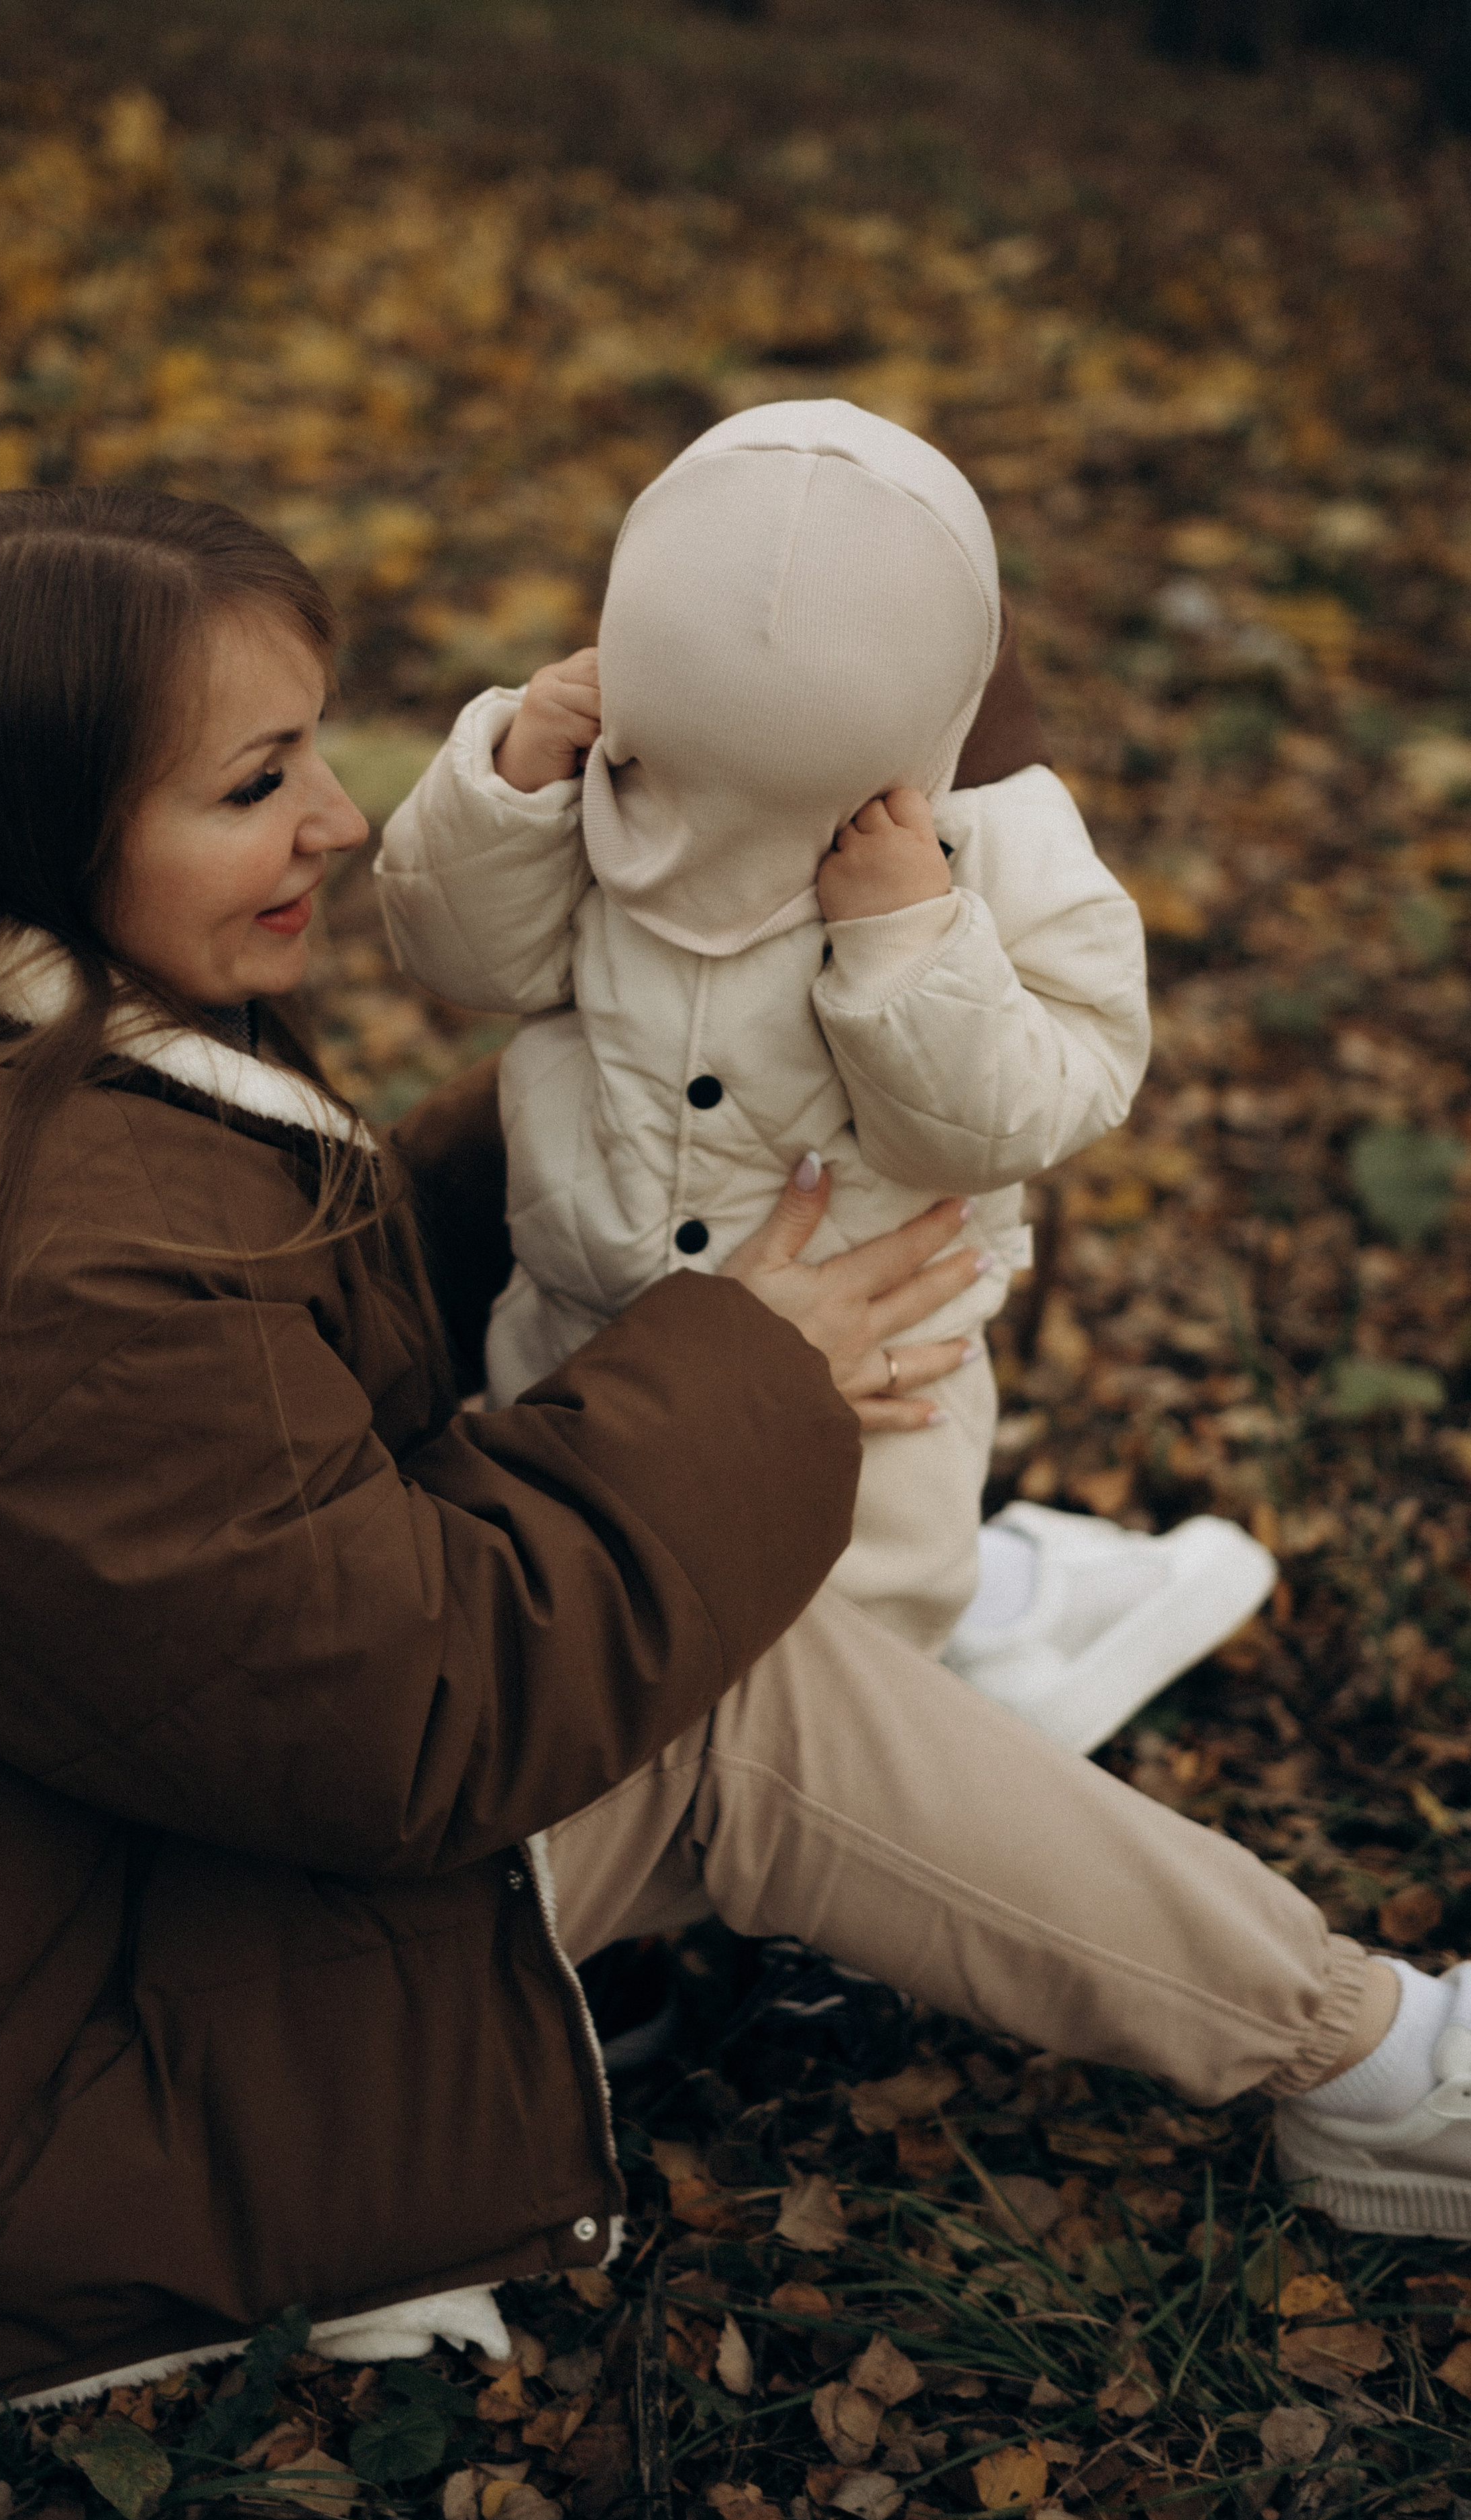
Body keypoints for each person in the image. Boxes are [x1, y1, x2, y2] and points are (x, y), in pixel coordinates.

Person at [0, 490, 1458, 2447]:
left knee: (668, 1502)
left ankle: (955, 1618)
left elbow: (218, 1430)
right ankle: (1378, 2063)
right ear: (28, 816)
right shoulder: (25, 1240)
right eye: (253, 782)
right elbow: (409, 1711)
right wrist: (742, 1373)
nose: (337, 817)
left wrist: (575, 1144)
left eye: (319, 745)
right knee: (725, 1702)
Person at [377, 402, 1275, 1750]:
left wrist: (907, 944)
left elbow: (1040, 1103)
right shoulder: (607, 764)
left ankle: (884, 1777)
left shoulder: (1001, 844)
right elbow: (462, 955)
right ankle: (659, 1786)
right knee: (589, 1598)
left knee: (844, 1652)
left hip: (871, 1381)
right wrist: (509, 786)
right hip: (582, 1337)